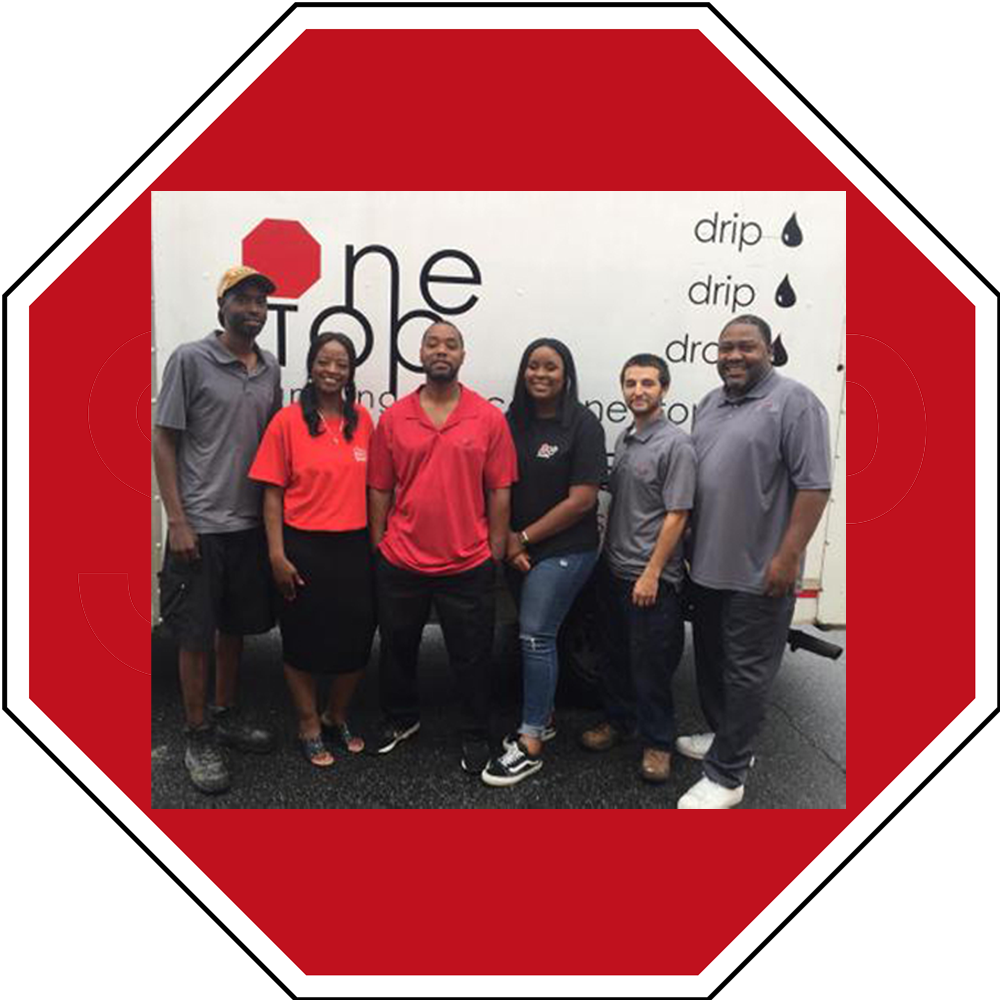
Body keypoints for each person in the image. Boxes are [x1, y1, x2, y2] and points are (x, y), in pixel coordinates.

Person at [678, 314, 831, 809]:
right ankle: (726, 737)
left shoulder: (795, 402)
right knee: (713, 662)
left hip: (759, 570)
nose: (734, 356)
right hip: (706, 567)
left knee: (747, 672)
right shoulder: (709, 404)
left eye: (746, 347)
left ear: (768, 350)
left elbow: (814, 486)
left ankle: (728, 775)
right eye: (725, 348)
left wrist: (788, 559)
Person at [153, 265, 283, 795]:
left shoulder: (270, 367)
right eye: (243, 300)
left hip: (248, 524)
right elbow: (164, 440)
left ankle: (226, 714)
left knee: (234, 628)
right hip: (200, 526)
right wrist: (177, 520)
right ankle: (197, 732)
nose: (254, 309)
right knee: (194, 634)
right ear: (222, 305)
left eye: (261, 302)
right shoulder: (190, 358)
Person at [367, 321, 518, 774]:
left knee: (472, 656)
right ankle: (401, 720)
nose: (441, 351)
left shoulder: (486, 418)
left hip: (467, 560)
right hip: (402, 558)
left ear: (462, 356)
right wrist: (379, 544)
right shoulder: (395, 418)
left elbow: (500, 490)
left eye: (450, 345)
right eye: (433, 343)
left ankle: (474, 733)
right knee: (396, 647)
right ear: (420, 351)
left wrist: (493, 549)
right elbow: (379, 487)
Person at [481, 338, 606, 787]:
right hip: (518, 551)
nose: (540, 374)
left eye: (550, 367)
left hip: (566, 550)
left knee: (535, 635)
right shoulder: (510, 422)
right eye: (533, 366)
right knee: (534, 634)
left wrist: (524, 538)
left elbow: (582, 500)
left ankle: (531, 742)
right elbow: (497, 485)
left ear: (566, 374)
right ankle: (544, 714)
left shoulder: (584, 425)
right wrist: (508, 546)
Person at [249, 332, 376, 767]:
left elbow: (377, 489)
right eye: (324, 361)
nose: (332, 370)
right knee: (303, 639)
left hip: (354, 546)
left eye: (341, 363)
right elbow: (271, 495)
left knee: (357, 639)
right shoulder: (287, 422)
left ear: (351, 371)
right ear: (311, 365)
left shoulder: (363, 420)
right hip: (302, 545)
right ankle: (307, 722)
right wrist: (275, 555)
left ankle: (335, 715)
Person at [580, 354, 696, 784]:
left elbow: (677, 514)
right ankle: (618, 721)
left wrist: (651, 573)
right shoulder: (628, 438)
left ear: (664, 389)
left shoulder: (676, 444)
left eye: (648, 383)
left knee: (652, 666)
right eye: (630, 383)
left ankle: (657, 743)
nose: (638, 391)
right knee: (613, 657)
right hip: (614, 570)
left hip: (651, 579)